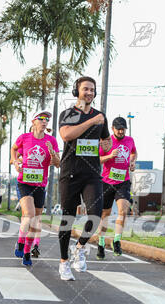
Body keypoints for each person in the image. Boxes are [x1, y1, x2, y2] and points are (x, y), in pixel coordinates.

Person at [57, 76, 112, 281]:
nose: (89, 93)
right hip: (70, 172)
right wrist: (91, 122)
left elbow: (106, 139)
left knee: (96, 214)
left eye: (92, 90)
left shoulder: (101, 116)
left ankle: (79, 248)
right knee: (68, 218)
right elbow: (66, 135)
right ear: (77, 91)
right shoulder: (69, 114)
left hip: (92, 173)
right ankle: (63, 263)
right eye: (85, 89)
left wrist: (106, 145)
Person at [11, 110, 60, 266]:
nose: (45, 121)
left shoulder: (51, 140)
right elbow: (13, 149)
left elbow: (58, 163)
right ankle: (20, 241)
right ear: (34, 121)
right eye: (42, 118)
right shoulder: (24, 138)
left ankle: (27, 251)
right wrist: (15, 162)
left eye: (47, 119)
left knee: (36, 220)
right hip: (24, 182)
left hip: (40, 185)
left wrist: (52, 153)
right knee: (30, 214)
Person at [96, 117, 137, 259]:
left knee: (123, 210)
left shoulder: (130, 140)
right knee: (104, 215)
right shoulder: (107, 142)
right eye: (118, 128)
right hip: (107, 182)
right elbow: (97, 159)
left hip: (123, 182)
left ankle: (117, 240)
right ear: (112, 129)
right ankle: (101, 243)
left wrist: (132, 162)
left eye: (123, 128)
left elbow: (133, 152)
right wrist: (109, 156)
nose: (121, 131)